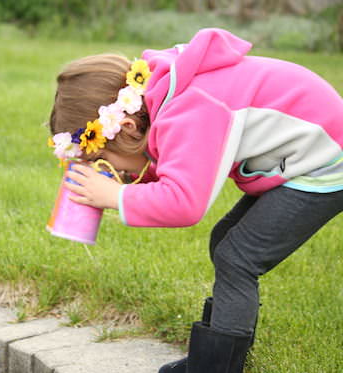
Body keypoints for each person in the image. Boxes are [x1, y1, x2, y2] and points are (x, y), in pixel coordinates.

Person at [47, 28, 343, 373]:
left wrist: (118, 196)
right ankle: (215, 358)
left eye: (105, 161)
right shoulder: (165, 93)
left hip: (326, 163)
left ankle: (212, 368)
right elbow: (174, 161)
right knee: (226, 243)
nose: (112, 171)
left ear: (126, 127)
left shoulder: (191, 108)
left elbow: (186, 202)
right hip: (305, 154)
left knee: (238, 257)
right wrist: (128, 185)